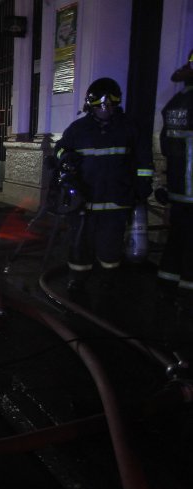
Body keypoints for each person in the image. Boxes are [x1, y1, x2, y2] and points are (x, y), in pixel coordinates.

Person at [54, 77, 154, 293]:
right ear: (90, 104)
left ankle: (108, 279)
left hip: (117, 201)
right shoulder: (78, 129)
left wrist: (143, 185)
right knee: (80, 245)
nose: (105, 108)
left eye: (110, 103)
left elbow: (144, 160)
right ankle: (77, 280)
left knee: (111, 246)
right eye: (99, 103)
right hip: (84, 202)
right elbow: (60, 149)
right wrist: (66, 158)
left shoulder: (129, 128)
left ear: (117, 102)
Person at [155, 50, 193, 306]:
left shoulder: (174, 104)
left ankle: (167, 281)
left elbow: (166, 146)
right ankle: (188, 290)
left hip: (178, 189)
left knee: (177, 237)